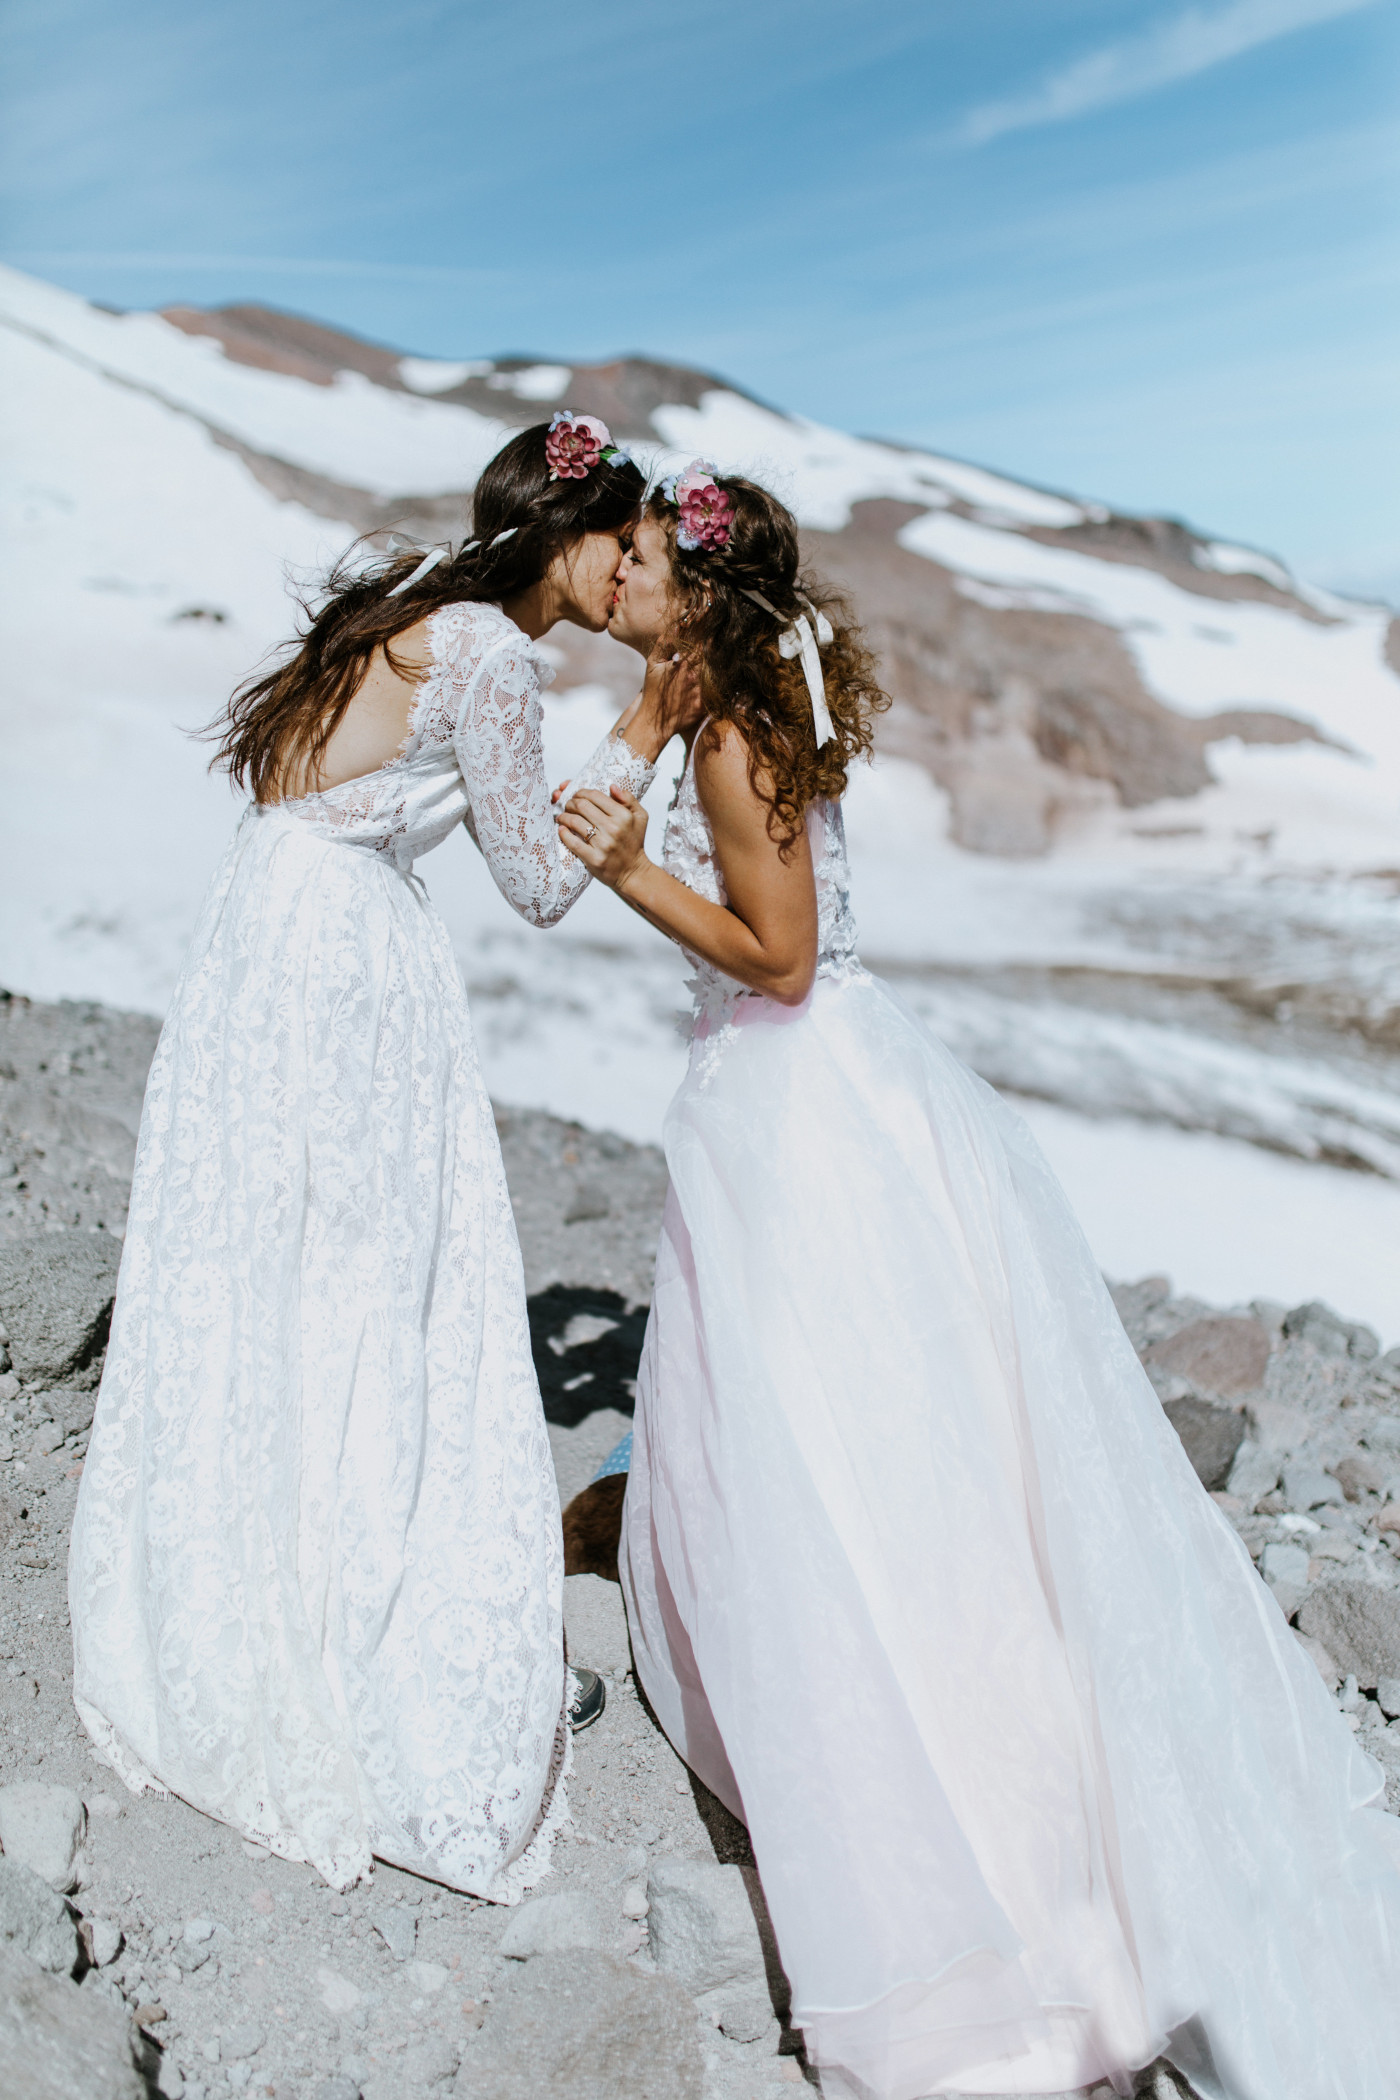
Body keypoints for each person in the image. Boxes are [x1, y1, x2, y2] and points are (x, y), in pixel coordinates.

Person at [557, 462, 1400, 2100]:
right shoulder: (757, 698)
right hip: (844, 1091)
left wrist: (628, 875)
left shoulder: (731, 733)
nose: (623, 586)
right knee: (904, 1447)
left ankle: (953, 1854)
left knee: (833, 1459)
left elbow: (781, 956)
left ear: (699, 593)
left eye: (647, 565)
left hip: (800, 1108)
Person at [69, 413, 690, 1899]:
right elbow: (539, 883)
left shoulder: (413, 605)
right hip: (343, 963)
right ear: (573, 535)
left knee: (272, 1263)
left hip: (264, 939)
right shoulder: (490, 651)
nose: (632, 579)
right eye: (625, 546)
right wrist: (651, 729)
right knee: (362, 1275)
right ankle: (347, 1621)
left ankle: (247, 1572)